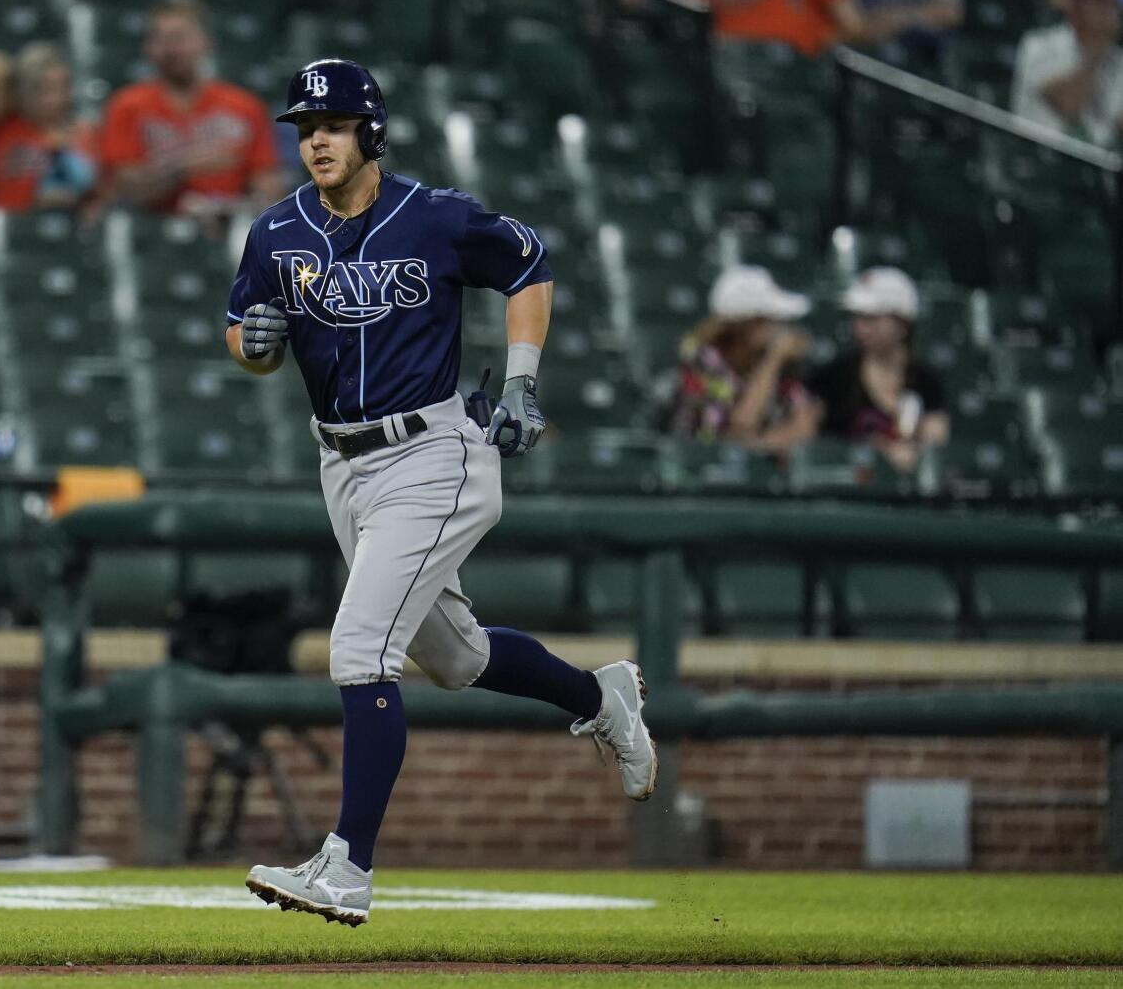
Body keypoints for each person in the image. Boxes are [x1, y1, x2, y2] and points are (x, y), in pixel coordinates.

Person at [226, 59, 656, 927]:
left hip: (433, 454)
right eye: (306, 125)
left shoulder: (434, 216)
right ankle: (598, 698)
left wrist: (524, 381)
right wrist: (253, 343)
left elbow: (530, 262)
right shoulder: (277, 232)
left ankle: (347, 867)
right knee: (455, 660)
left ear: (371, 132)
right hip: (341, 464)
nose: (316, 138)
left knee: (358, 648)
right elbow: (243, 329)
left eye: (336, 123)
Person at [99, 0, 285, 222]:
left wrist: (238, 206)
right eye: (160, 39)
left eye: (179, 38)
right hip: (152, 229)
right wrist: (185, 167)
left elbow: (268, 184)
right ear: (148, 47)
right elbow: (127, 189)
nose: (170, 49)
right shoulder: (126, 105)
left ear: (206, 42)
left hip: (227, 228)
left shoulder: (245, 106)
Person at [807, 267, 948, 472]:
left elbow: (936, 442)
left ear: (902, 324)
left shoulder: (926, 382)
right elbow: (808, 438)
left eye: (871, 319)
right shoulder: (833, 378)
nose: (860, 328)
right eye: (857, 318)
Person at [668, 265, 818, 453]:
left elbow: (804, 428)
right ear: (746, 325)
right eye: (769, 319)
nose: (779, 328)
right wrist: (773, 361)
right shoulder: (702, 363)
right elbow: (737, 433)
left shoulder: (779, 363)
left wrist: (760, 443)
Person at [0, 43, 98, 213]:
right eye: (44, 89)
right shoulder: (3, 127)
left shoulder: (86, 133)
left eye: (63, 88)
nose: (57, 99)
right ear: (22, 91)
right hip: (12, 229)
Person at [1012, 0, 1123, 147]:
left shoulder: (1118, 61)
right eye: (1100, 3)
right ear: (1076, 7)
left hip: (1097, 163)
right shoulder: (1040, 45)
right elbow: (1068, 105)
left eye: (1113, 5)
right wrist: (1095, 52)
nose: (1110, 12)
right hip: (1039, 156)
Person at [711, 0, 963, 58]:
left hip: (801, 69)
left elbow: (853, 28)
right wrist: (920, 15)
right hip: (730, 60)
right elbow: (856, 30)